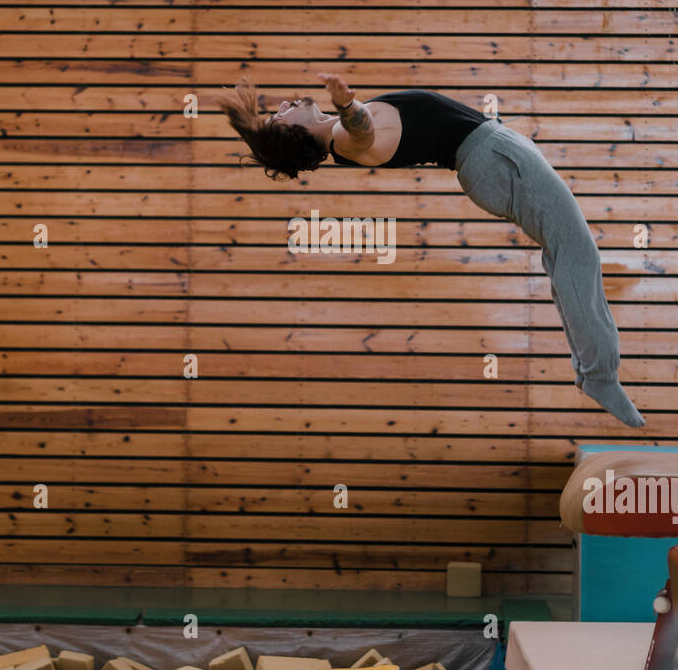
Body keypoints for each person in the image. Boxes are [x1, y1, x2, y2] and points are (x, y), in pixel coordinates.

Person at [216, 73, 645, 428]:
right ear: (294, 130)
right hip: (492, 159)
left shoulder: (339, 137)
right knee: (576, 252)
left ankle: (592, 371)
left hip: (495, 152)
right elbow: (364, 129)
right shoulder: (345, 138)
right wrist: (348, 105)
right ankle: (598, 375)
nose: (287, 103)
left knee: (567, 254)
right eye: (281, 113)